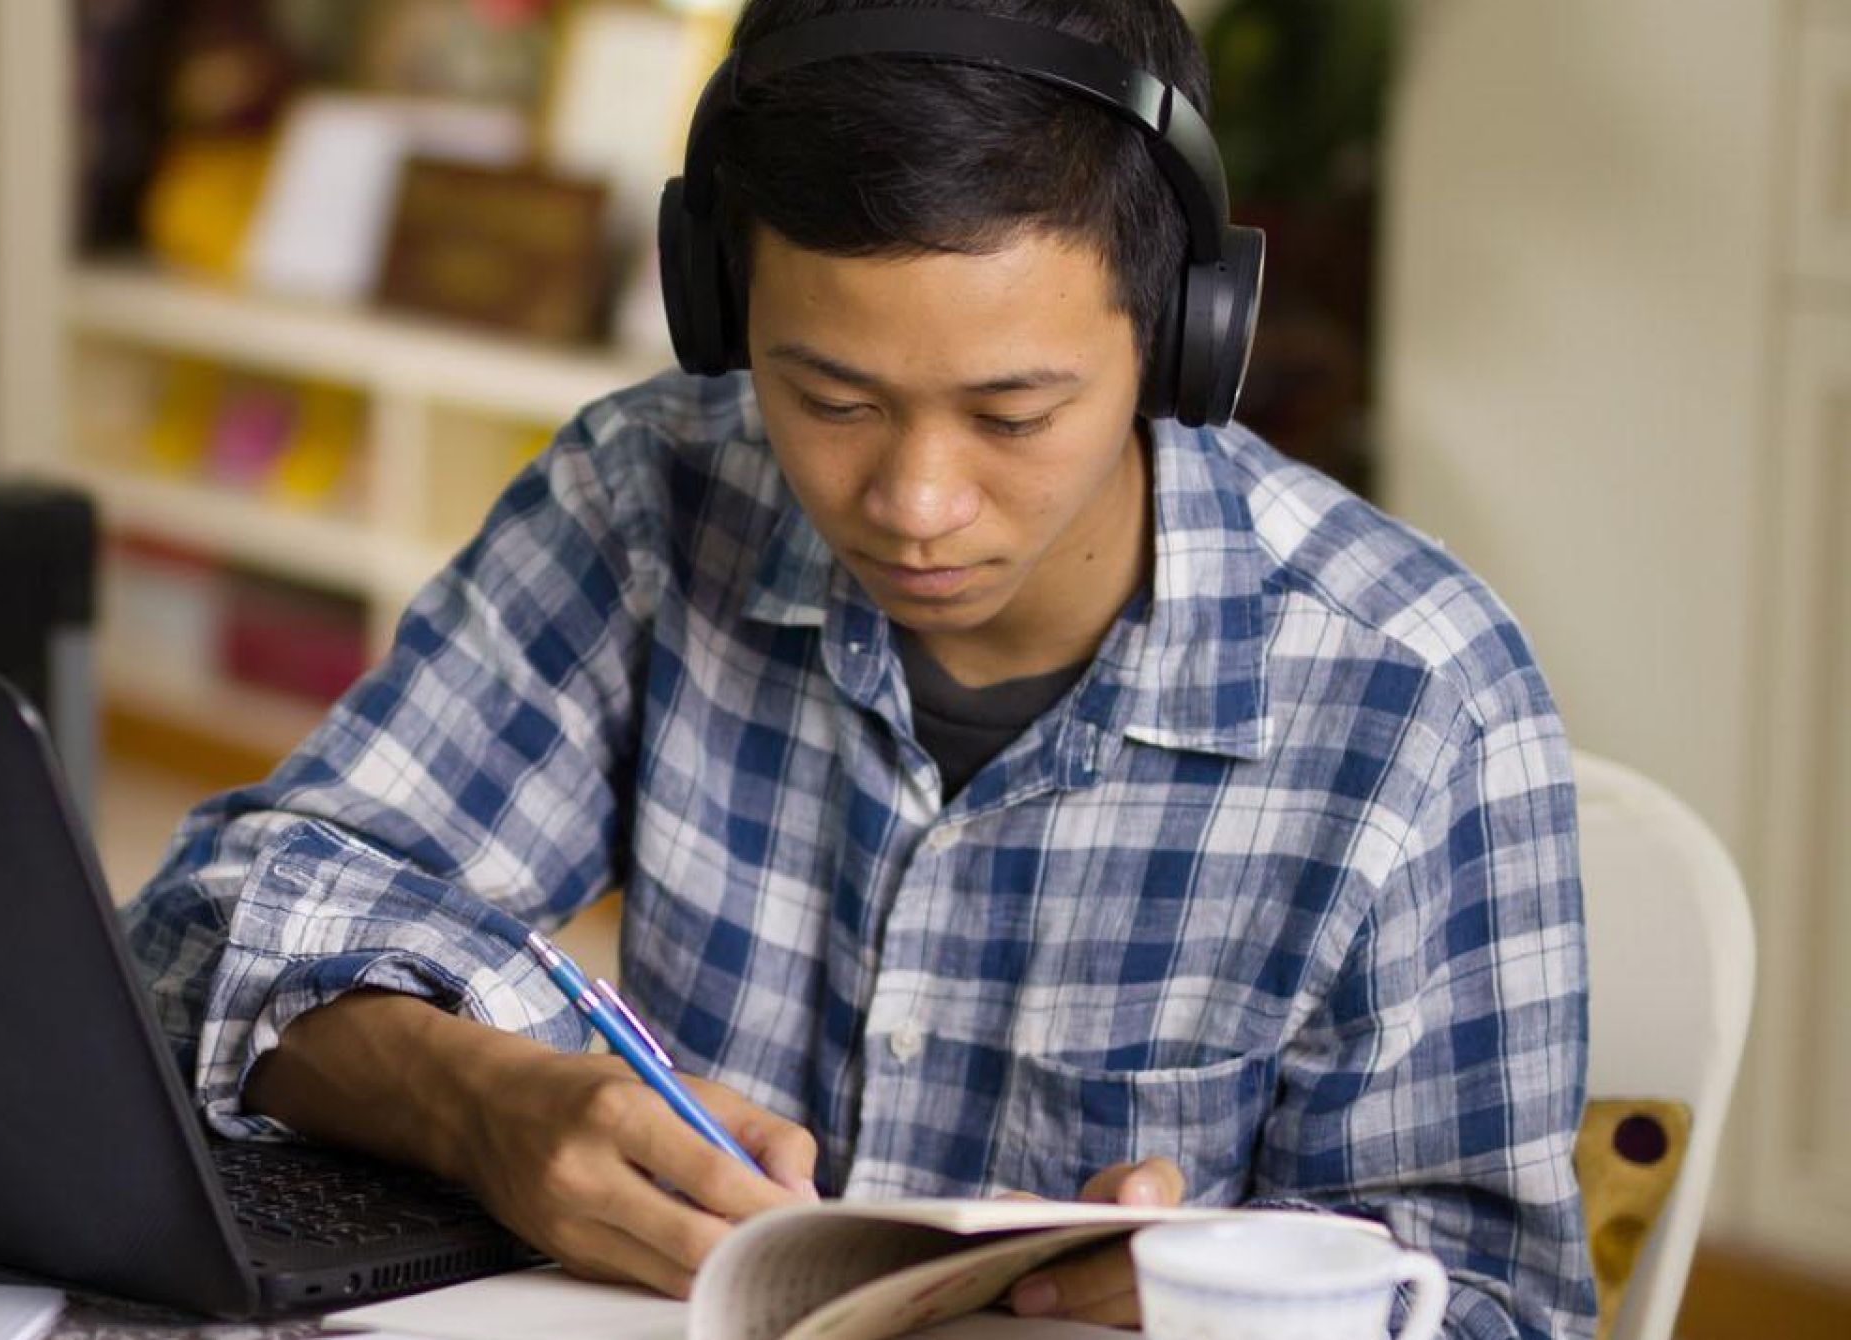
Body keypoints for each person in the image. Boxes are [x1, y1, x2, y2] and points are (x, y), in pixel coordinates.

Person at [124, 1, 1595, 1336]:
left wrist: (1228, 1311)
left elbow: (1499, 1308)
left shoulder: (1419, 703)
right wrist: (485, 1104)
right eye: (829, 396)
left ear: (1187, 339)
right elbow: (207, 927)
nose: (914, 502)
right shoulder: (651, 498)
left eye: (1014, 415)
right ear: (718, 307)